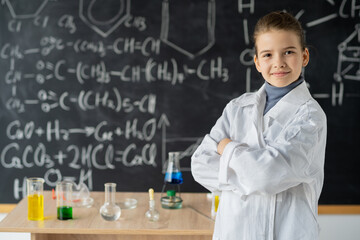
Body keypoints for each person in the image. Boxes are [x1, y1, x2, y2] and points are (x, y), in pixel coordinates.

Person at [191, 11, 327, 240]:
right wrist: (253, 174)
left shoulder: (310, 117)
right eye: (267, 55)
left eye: (288, 52)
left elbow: (267, 176)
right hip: (234, 232)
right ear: (256, 62)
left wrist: (228, 149)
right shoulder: (237, 108)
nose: (278, 63)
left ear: (304, 56)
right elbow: (200, 164)